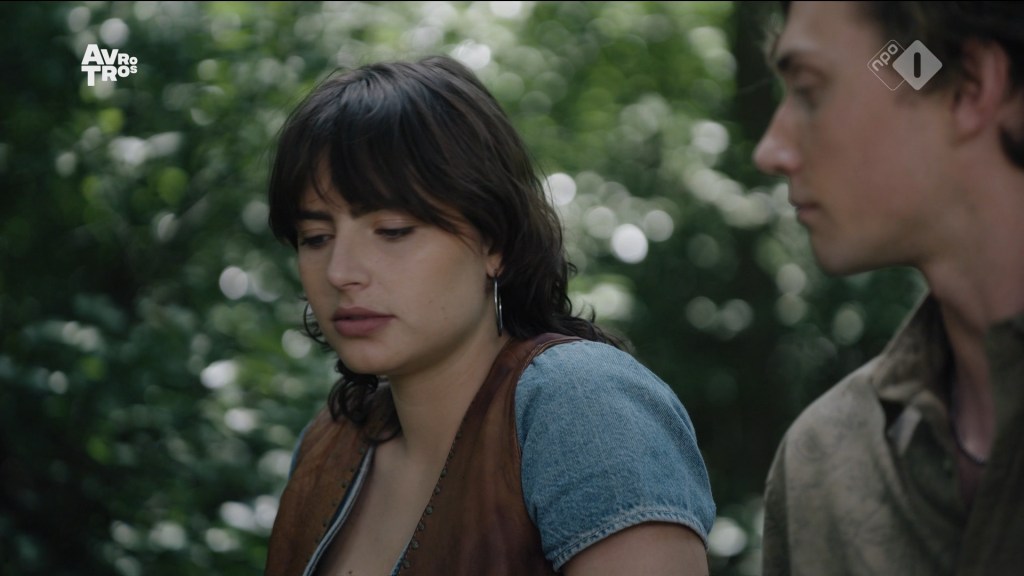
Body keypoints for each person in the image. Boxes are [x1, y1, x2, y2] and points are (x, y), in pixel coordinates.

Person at [262, 55, 715, 576]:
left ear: (494, 241)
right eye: (315, 237)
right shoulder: (328, 446)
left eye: (393, 231)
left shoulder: (581, 405)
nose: (340, 272)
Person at [753, 1, 1024, 574]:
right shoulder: (824, 462)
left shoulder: (907, 62)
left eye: (809, 90)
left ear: (969, 88)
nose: (770, 151)